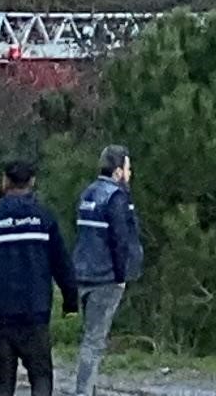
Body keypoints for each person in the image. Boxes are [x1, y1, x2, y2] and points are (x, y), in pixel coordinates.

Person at [0, 157, 78, 396]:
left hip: (1, 316)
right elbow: (62, 265)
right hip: (35, 314)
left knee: (3, 384)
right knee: (41, 378)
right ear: (32, 182)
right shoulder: (44, 219)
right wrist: (71, 303)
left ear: (4, 182)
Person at [70, 146, 143, 396]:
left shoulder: (88, 193)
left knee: (90, 336)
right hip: (105, 277)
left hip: (82, 273)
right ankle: (83, 391)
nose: (130, 174)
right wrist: (121, 276)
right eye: (128, 168)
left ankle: (87, 389)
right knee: (94, 340)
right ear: (118, 171)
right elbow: (120, 239)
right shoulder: (116, 197)